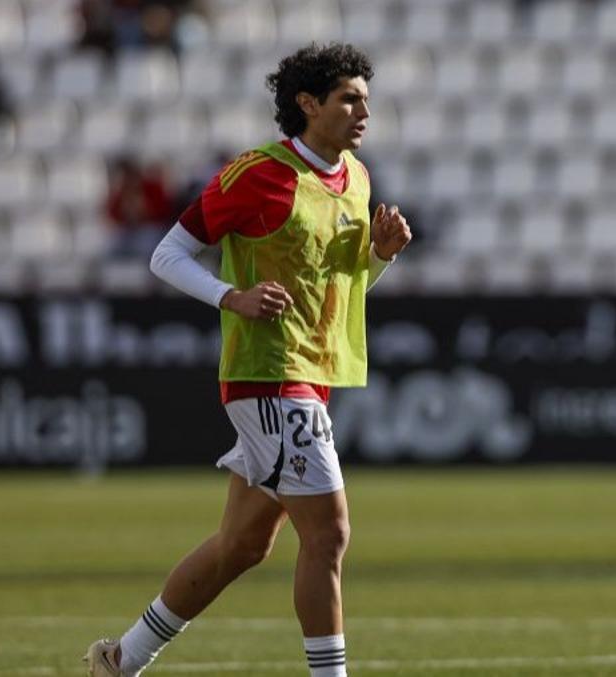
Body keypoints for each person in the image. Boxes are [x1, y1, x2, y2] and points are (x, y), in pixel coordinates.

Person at [83, 42, 411, 677]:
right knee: (330, 535)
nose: (363, 111)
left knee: (242, 546)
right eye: (349, 98)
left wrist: (380, 256)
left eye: (366, 99)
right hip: (268, 376)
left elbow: (340, 294)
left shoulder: (357, 181)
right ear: (308, 103)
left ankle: (122, 659)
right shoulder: (259, 173)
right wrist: (231, 296)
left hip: (312, 376)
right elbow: (168, 254)